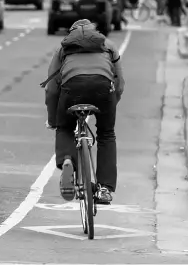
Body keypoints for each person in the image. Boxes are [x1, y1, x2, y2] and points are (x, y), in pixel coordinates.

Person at [41, 19, 125, 205]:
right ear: (95, 31)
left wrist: (53, 120)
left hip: (72, 87)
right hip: (104, 88)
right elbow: (119, 85)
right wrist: (110, 106)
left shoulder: (63, 48)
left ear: (71, 33)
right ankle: (104, 188)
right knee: (106, 134)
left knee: (64, 128)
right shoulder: (108, 45)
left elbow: (52, 90)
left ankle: (67, 161)